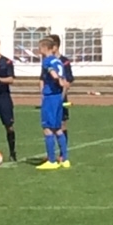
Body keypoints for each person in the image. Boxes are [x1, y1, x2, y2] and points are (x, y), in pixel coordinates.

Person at [36, 37, 69, 170]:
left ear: (45, 48)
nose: (39, 50)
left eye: (39, 48)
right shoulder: (59, 61)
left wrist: (57, 79)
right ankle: (65, 160)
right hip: (58, 97)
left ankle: (51, 161)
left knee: (47, 128)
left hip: (50, 97)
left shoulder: (47, 60)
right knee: (58, 128)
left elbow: (53, 73)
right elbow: (64, 79)